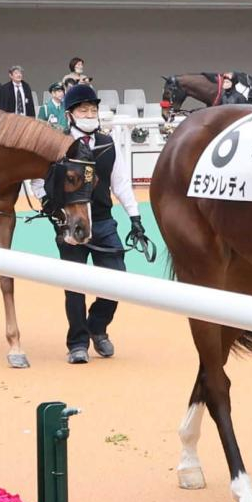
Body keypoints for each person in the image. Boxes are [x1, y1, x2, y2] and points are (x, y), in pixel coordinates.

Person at [55, 83, 149, 364]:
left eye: (93, 109)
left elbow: (120, 181)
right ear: (70, 114)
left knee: (117, 280)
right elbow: (39, 181)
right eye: (83, 109)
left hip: (104, 221)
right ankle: (77, 343)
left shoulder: (107, 142)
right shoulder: (58, 142)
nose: (89, 113)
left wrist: (135, 217)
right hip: (70, 221)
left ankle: (97, 326)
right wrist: (54, 210)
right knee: (74, 285)